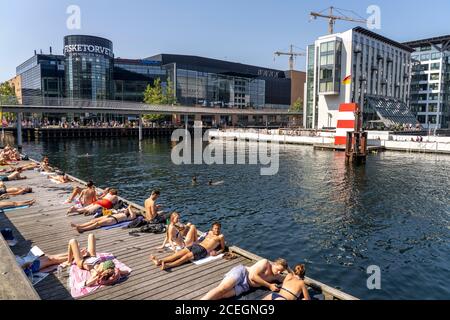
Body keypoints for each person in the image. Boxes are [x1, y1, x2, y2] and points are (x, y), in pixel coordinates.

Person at [150, 222, 225, 270]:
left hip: (202, 250)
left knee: (185, 257)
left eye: (218, 228)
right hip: (196, 245)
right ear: (212, 228)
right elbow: (201, 238)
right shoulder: (209, 232)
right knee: (178, 254)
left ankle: (168, 266)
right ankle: (160, 261)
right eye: (215, 228)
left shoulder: (220, 236)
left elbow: (223, 248)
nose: (217, 230)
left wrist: (217, 253)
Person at [201, 258, 288, 300]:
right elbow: (253, 276)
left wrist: (288, 269)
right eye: (278, 270)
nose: (279, 272)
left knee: (223, 296)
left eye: (281, 271)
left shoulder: (276, 276)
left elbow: (290, 277)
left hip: (245, 286)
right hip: (242, 273)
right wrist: (269, 285)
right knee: (222, 289)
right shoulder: (265, 263)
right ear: (275, 264)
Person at [61, 234, 129, 287]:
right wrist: (119, 271)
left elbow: (84, 284)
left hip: (81, 261)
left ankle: (69, 261)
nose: (103, 262)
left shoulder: (96, 273)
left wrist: (96, 279)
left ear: (103, 268)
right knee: (91, 235)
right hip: (93, 257)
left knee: (72, 241)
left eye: (103, 263)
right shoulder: (110, 269)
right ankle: (81, 251)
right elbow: (127, 271)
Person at [71, 205, 138, 233]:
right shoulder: (124, 212)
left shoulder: (132, 215)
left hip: (113, 219)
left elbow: (132, 216)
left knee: (97, 224)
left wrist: (129, 208)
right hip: (110, 216)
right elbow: (116, 210)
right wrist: (125, 209)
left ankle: (82, 229)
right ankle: (79, 226)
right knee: (93, 220)